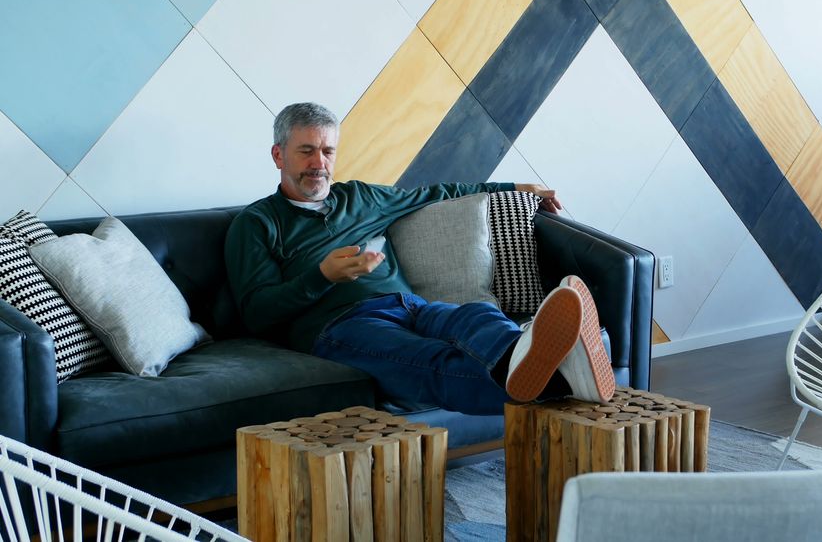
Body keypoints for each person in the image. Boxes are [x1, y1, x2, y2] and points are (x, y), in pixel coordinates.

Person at [224, 102, 615, 416]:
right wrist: (322, 276)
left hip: (410, 306)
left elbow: (436, 193)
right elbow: (257, 313)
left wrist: (513, 188)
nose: (319, 163)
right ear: (279, 155)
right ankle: (564, 376)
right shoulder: (257, 223)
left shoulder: (359, 197)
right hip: (339, 327)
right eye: (306, 151)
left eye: (327, 151)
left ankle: (529, 359)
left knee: (476, 316)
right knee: (432, 362)